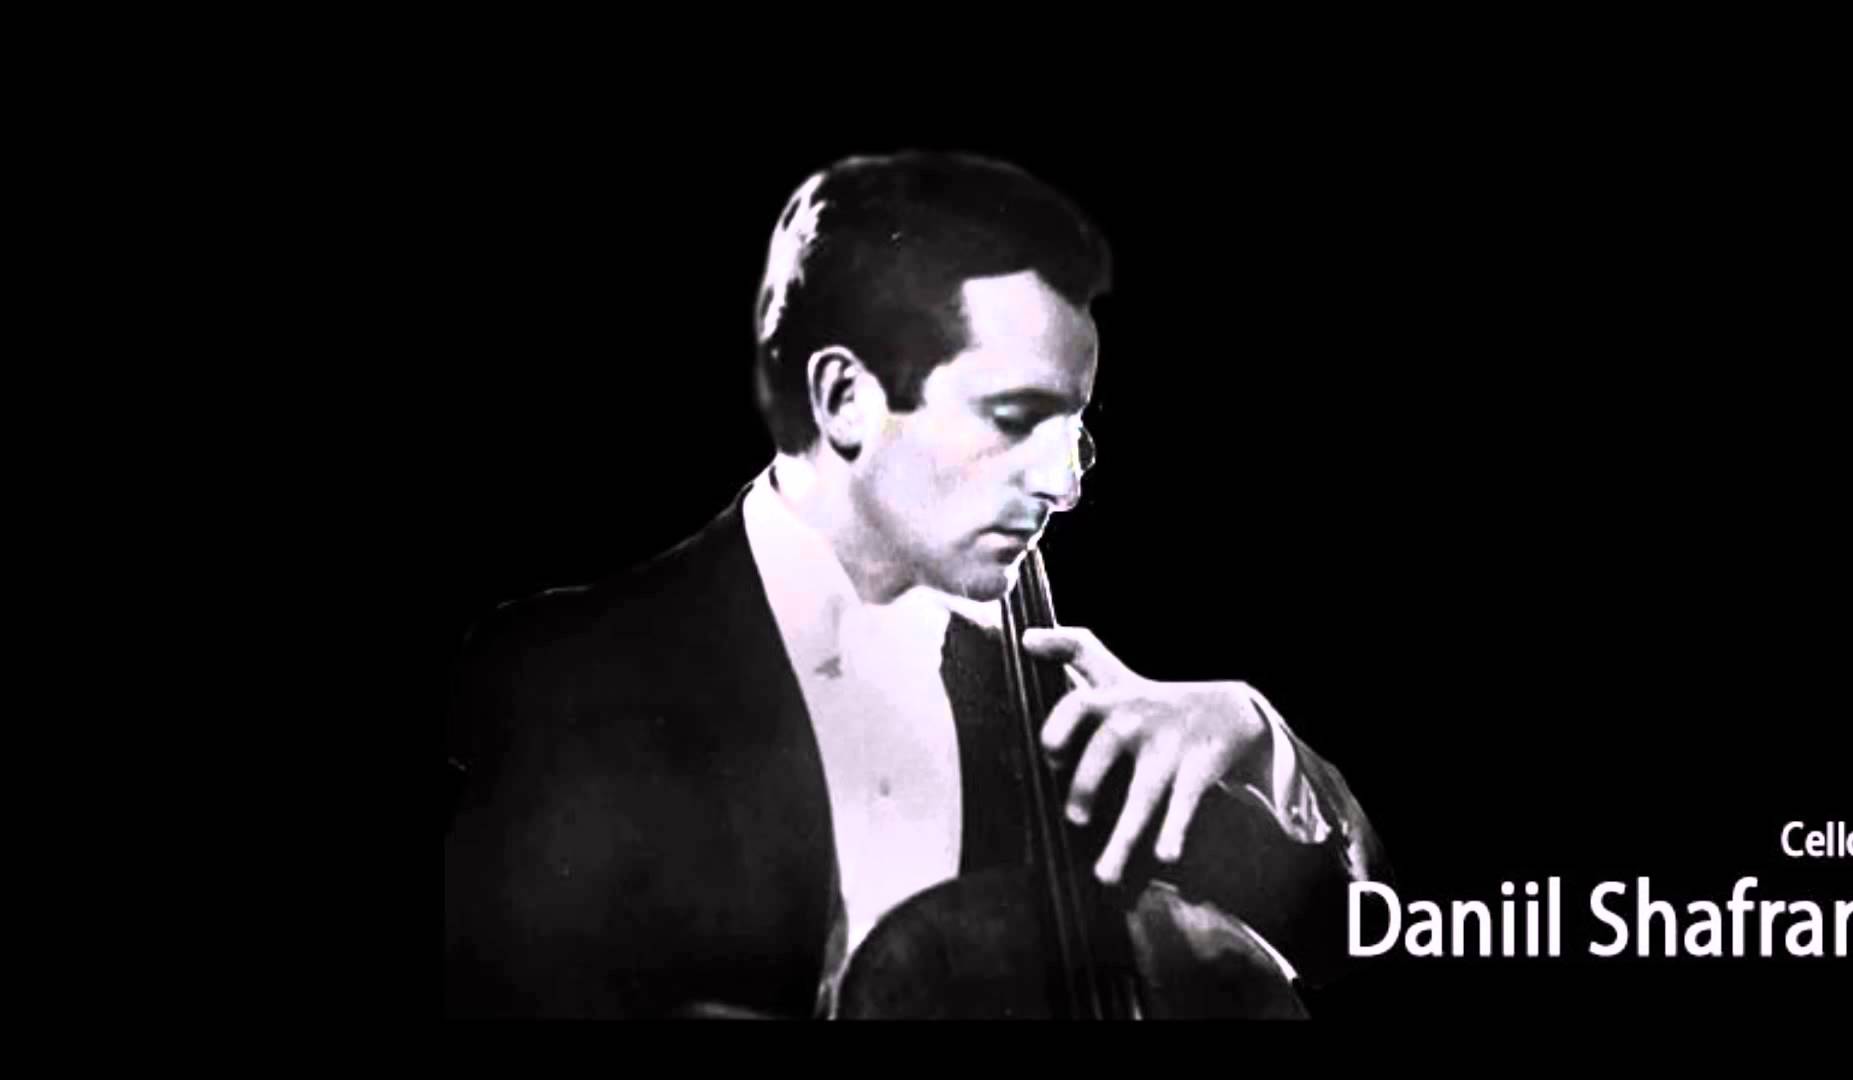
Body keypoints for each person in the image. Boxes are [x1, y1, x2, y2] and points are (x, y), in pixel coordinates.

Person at [442, 150, 1389, 1019]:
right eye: (1015, 420)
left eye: (1076, 432)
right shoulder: (555, 672)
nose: (1065, 486)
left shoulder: (1064, 722)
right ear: (845, 400)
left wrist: (1258, 738)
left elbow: (1377, 941)